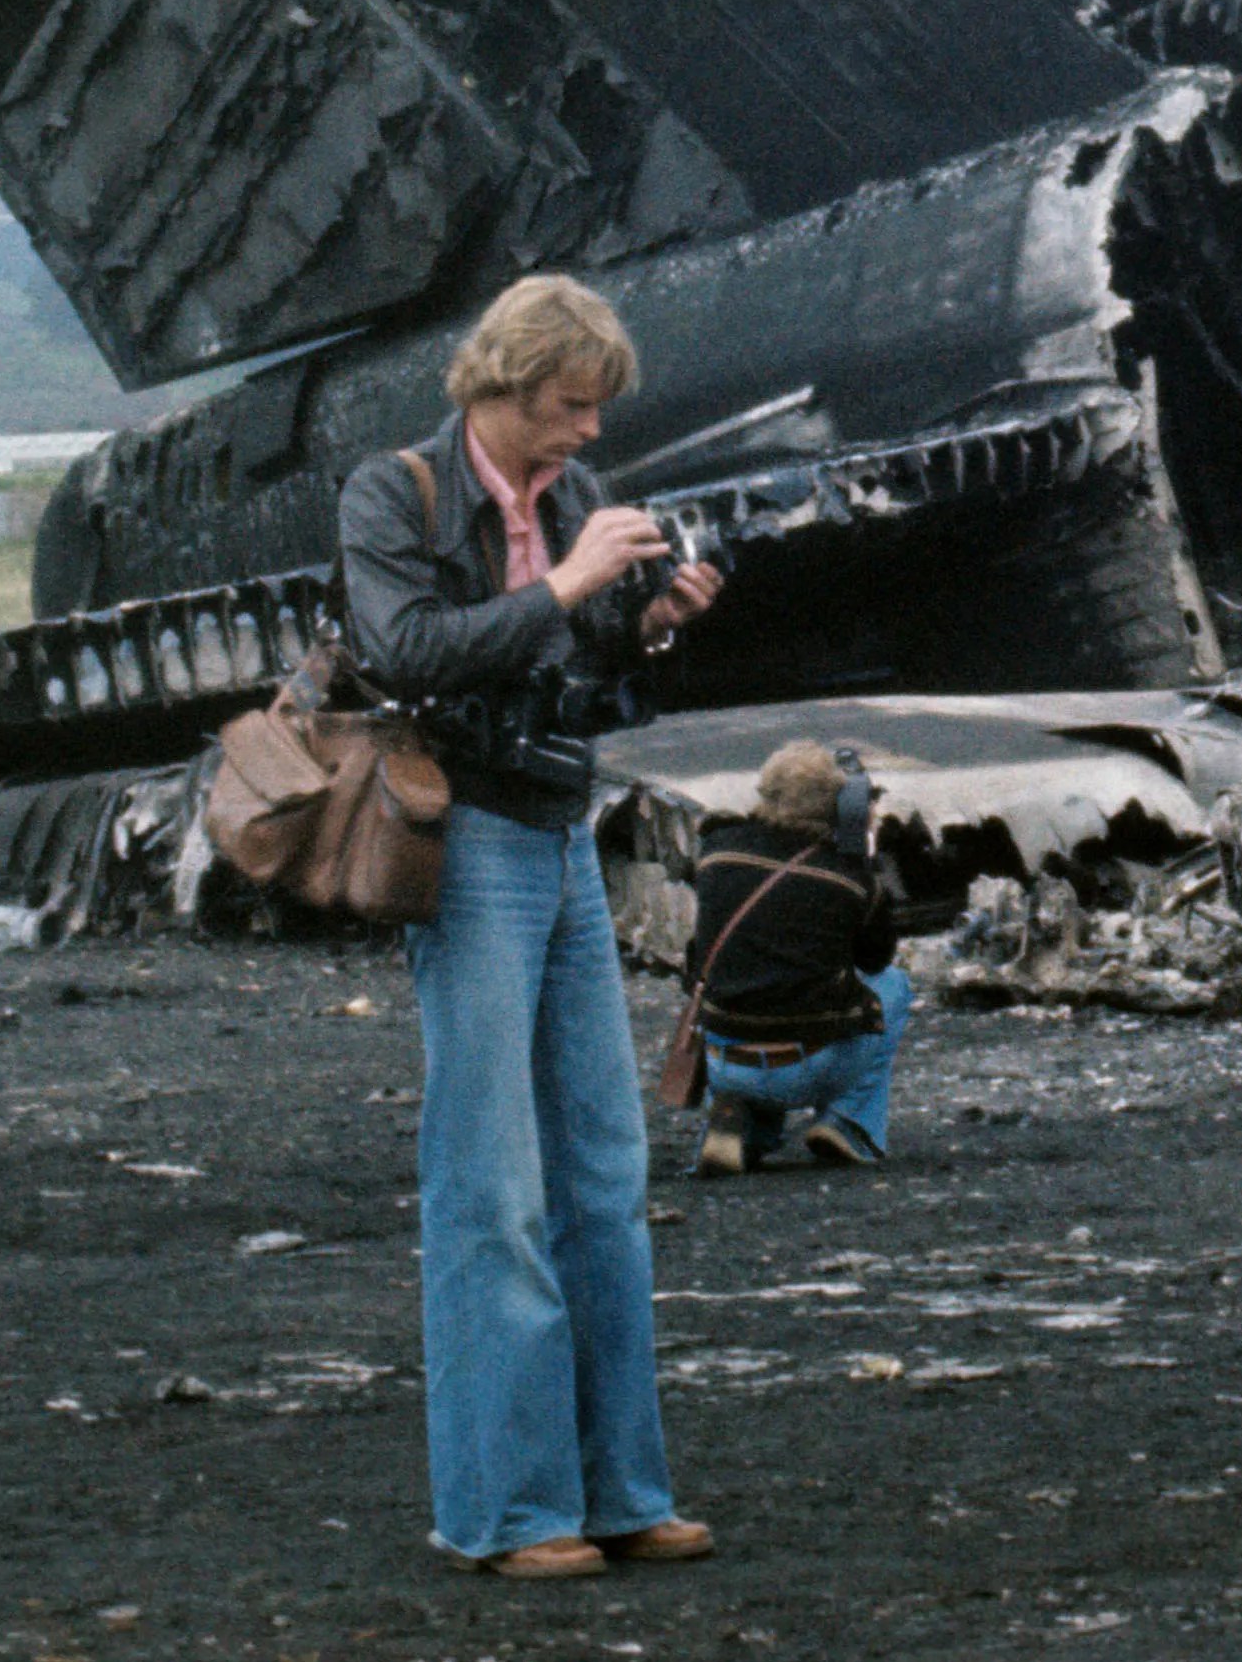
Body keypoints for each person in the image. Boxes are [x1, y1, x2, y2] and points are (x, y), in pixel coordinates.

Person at [339, 274, 725, 1582]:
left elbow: (574, 663)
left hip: (563, 831)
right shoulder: (395, 492)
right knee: (489, 1181)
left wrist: (648, 622)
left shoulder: (565, 497)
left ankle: (619, 1491)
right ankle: (508, 1508)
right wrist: (568, 585)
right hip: (469, 852)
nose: (583, 436)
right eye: (568, 407)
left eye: (595, 412)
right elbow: (403, 652)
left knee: (604, 1178)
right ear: (501, 384)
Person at [684, 740, 908, 1175]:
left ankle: (739, 1125)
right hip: (809, 1065)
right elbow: (875, 960)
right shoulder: (851, 879)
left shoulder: (716, 854)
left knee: (747, 986)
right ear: (840, 806)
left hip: (723, 1063)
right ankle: (846, 1121)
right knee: (893, 985)